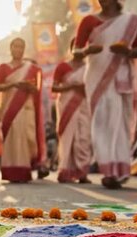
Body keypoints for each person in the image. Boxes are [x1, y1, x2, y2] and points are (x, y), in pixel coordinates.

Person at [74, 0, 137, 189]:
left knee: (119, 123)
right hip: (97, 77)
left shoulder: (129, 21)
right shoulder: (88, 21)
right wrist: (87, 50)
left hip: (121, 76)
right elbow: (76, 50)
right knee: (101, 122)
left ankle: (120, 170)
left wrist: (127, 51)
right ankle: (108, 171)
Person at [0, 38, 46, 183]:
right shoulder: (4, 68)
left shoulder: (31, 68)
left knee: (27, 137)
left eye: (21, 47)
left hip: (26, 107)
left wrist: (29, 88)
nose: (18, 49)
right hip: (9, 108)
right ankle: (11, 172)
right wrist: (13, 84)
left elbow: (37, 89)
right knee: (11, 138)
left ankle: (25, 170)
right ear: (11, 48)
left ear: (24, 49)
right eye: (15, 46)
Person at [52, 40, 92, 184]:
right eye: (77, 46)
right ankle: (65, 171)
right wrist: (71, 86)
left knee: (83, 137)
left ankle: (82, 173)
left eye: (83, 46)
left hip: (84, 104)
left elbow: (94, 88)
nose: (80, 49)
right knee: (67, 136)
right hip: (66, 104)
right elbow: (54, 88)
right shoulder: (63, 66)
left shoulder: (90, 67)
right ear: (71, 48)